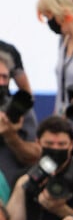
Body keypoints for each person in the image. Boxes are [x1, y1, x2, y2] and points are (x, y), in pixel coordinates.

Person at [0, 51, 40, 189]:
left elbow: (34, 156)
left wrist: (11, 136)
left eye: (5, 77)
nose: (1, 82)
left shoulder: (21, 109)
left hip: (12, 188)